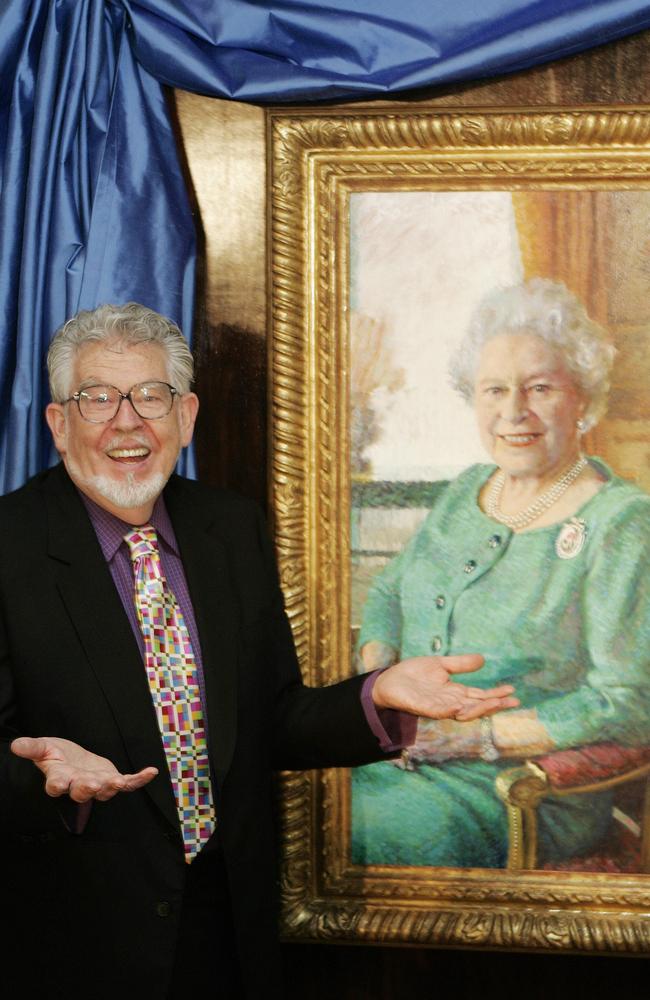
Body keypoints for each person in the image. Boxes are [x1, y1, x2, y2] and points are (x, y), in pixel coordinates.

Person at [0, 303, 517, 998]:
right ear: (59, 425)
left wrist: (379, 694)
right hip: (73, 945)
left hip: (229, 933)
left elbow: (269, 721)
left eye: (151, 397)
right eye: (97, 399)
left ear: (185, 417)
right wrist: (46, 778)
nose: (128, 422)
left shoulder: (229, 529)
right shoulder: (10, 545)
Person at [352, 278, 650, 870]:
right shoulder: (469, 489)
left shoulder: (621, 522)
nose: (513, 411)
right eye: (494, 389)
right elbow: (389, 593)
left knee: (355, 832)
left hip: (521, 787)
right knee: (279, 804)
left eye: (539, 388)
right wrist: (384, 691)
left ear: (583, 401)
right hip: (400, 754)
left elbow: (630, 703)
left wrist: (475, 737)